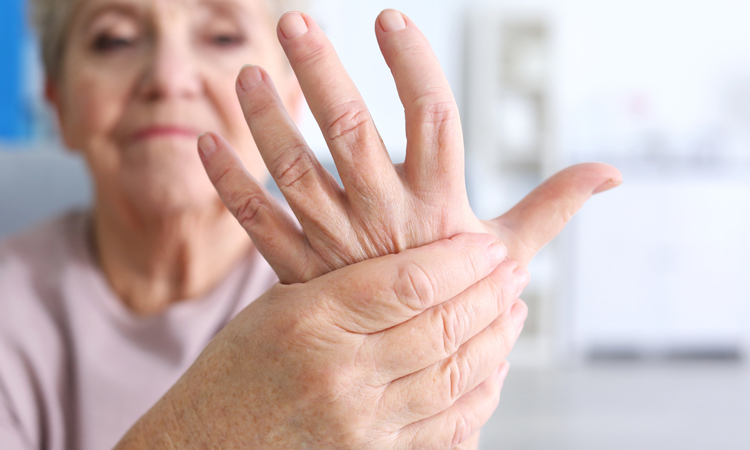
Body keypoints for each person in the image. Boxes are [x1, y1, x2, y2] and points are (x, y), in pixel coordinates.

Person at [0, 0, 622, 449]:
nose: (168, 78)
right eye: (113, 38)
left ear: (291, 94)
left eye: (219, 36)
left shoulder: (359, 288)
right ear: (57, 101)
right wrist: (216, 431)